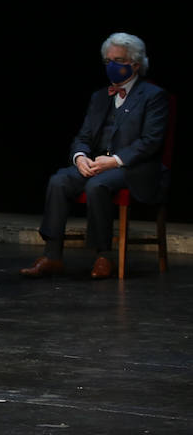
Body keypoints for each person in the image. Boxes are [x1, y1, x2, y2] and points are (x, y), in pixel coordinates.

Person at [22, 33, 169, 280]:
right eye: (107, 61)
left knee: (97, 185)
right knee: (60, 180)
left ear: (134, 63)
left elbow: (150, 142)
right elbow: (83, 136)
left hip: (134, 167)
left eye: (118, 60)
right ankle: (52, 256)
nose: (112, 66)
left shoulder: (153, 96)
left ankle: (103, 256)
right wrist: (80, 157)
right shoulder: (100, 96)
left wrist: (114, 161)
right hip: (98, 164)